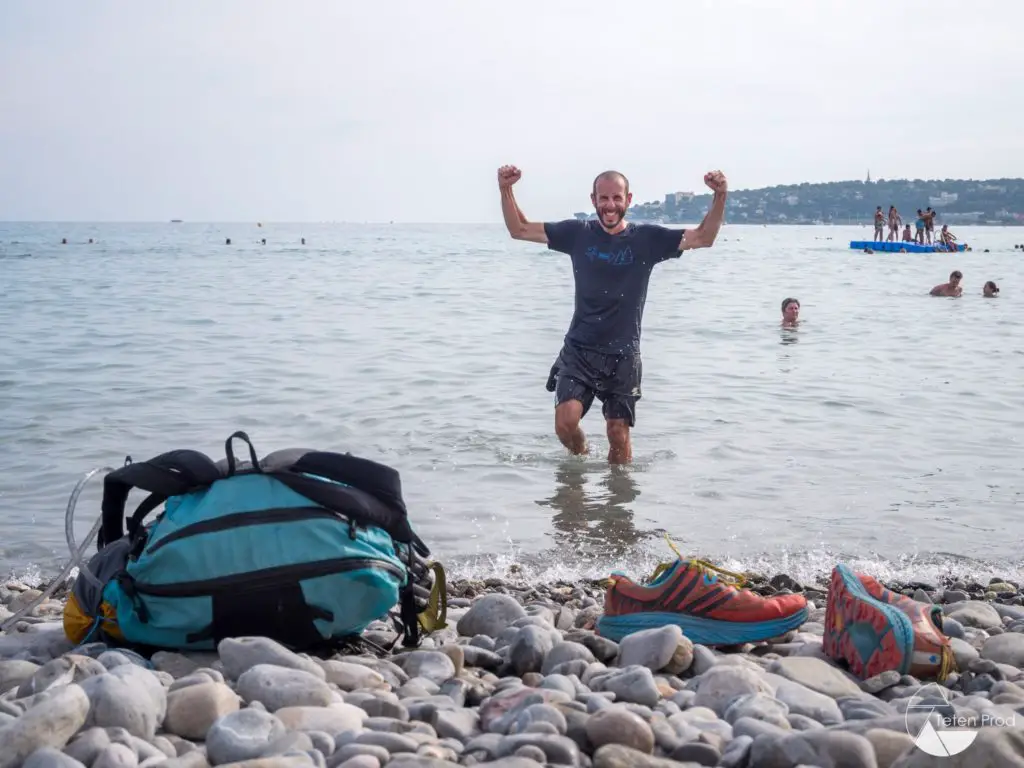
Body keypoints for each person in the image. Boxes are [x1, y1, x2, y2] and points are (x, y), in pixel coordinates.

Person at [497, 164, 727, 464]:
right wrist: (505, 188)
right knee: (565, 423)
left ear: (628, 200)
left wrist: (720, 195)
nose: (610, 205)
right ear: (593, 200)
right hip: (580, 348)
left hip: (623, 354)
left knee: (617, 433)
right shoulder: (577, 234)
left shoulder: (648, 239)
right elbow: (520, 229)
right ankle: (580, 461)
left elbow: (703, 238)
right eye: (603, 198)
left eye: (616, 198)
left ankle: (617, 505)